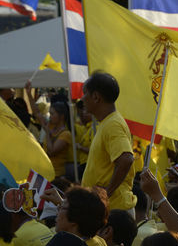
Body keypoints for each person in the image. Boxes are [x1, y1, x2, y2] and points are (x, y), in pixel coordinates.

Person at [80, 71, 136, 212]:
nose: (82, 98)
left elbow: (126, 159)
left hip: (115, 209)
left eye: (84, 93)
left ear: (96, 97)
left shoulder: (113, 124)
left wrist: (106, 194)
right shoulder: (107, 122)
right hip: (109, 208)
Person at [25, 81, 72, 178]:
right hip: (45, 172)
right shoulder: (50, 126)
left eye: (53, 114)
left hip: (57, 175)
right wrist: (29, 94)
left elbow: (51, 151)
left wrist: (47, 133)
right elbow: (37, 113)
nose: (50, 117)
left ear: (61, 116)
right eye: (49, 114)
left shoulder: (66, 134)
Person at [41, 186, 109, 246]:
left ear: (74, 218)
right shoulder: (99, 241)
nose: (57, 212)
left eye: (62, 208)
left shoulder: (60, 242)